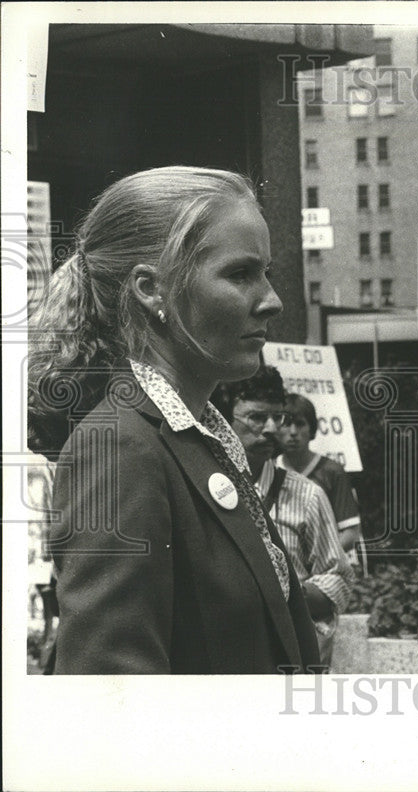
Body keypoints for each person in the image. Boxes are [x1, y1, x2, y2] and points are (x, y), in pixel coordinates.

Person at [27, 166, 320, 674]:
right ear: (151, 289)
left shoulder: (195, 438)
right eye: (240, 274)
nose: (272, 301)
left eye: (267, 273)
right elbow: (111, 692)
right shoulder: (121, 447)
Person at [212, 368, 355, 670]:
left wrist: (288, 594)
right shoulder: (206, 488)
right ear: (224, 420)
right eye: (256, 417)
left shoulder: (307, 494)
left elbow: (338, 578)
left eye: (277, 417)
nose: (269, 429)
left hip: (288, 658)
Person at [279, 393, 363, 561]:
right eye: (286, 424)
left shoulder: (331, 471)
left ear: (312, 429)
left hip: (321, 566)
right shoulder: (269, 469)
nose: (293, 432)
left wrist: (317, 560)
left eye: (300, 424)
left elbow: (351, 532)